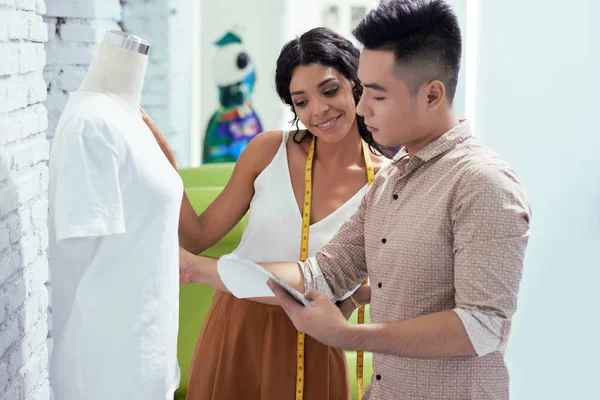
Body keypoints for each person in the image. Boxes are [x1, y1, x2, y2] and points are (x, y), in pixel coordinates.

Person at [180, 1, 532, 399]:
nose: (361, 108)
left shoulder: (482, 183)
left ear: (432, 94)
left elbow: (482, 326)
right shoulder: (392, 182)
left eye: (376, 95)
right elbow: (322, 274)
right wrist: (197, 270)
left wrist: (349, 333)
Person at [144, 27, 386, 400]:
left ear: (356, 84)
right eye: (300, 101)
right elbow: (197, 236)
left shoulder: (387, 182)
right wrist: (167, 165)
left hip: (317, 339)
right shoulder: (267, 150)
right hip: (236, 327)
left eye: (329, 90)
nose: (317, 111)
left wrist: (356, 300)